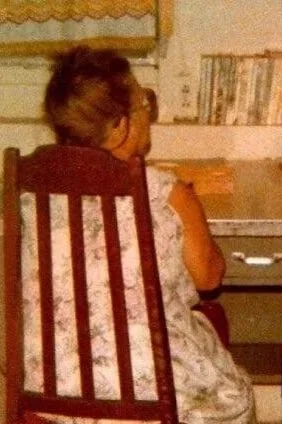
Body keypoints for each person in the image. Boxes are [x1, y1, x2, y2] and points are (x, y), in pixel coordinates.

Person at [21, 46, 256, 423]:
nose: (149, 113)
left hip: (52, 391)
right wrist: (188, 202)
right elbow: (209, 277)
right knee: (226, 376)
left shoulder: (25, 188)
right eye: (143, 103)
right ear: (119, 126)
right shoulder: (167, 192)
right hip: (149, 398)